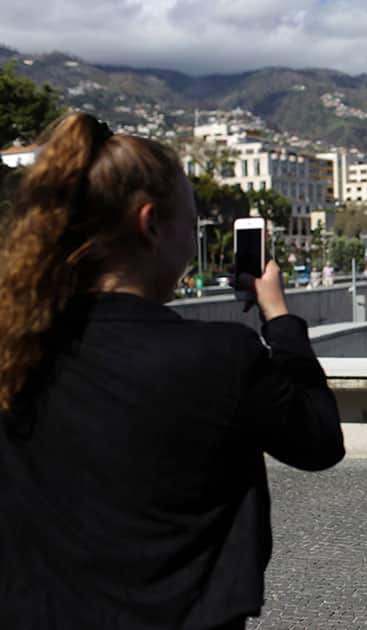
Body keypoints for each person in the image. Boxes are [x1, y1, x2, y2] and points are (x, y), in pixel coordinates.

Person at [0, 113, 345, 629]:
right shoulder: (220, 357)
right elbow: (319, 441)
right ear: (151, 224)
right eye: (192, 220)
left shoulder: (16, 351)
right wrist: (279, 316)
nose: (194, 237)